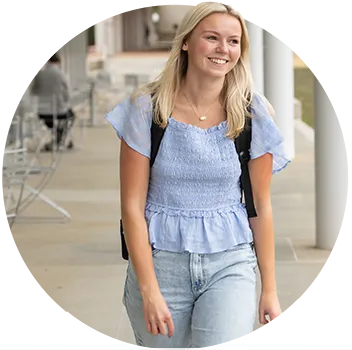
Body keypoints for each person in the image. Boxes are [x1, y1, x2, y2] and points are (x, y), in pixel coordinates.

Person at [105, 2, 291, 349]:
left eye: (233, 41)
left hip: (230, 262)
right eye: (212, 38)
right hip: (160, 265)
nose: (224, 49)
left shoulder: (252, 113)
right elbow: (132, 206)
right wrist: (148, 289)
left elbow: (261, 206)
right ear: (187, 42)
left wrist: (270, 289)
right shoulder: (146, 109)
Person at [30, 51, 75, 151]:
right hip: (59, 111)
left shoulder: (39, 74)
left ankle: (57, 136)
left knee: (52, 121)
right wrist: (65, 102)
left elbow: (33, 92)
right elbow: (68, 92)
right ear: (58, 61)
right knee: (70, 116)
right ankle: (61, 138)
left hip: (42, 112)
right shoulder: (61, 74)